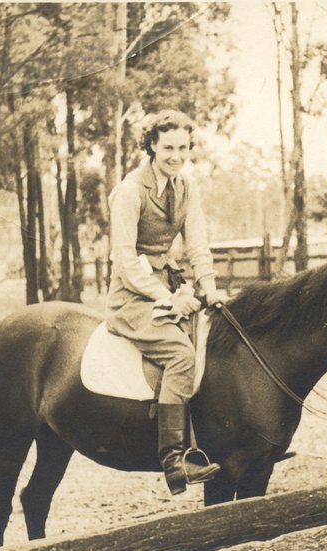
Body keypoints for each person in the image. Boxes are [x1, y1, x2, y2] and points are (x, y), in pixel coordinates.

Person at [105, 109, 229, 495]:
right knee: (180, 355)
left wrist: (208, 286)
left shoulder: (186, 187)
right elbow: (125, 260)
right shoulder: (129, 191)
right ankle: (174, 460)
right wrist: (165, 298)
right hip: (132, 296)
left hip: (173, 286)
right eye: (168, 147)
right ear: (152, 146)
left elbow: (197, 244)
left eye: (183, 148)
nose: (176, 155)